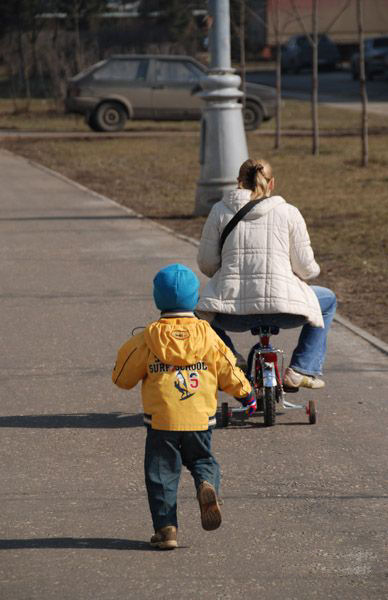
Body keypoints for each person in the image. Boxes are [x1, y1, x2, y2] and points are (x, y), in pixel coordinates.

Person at [112, 263, 255, 550]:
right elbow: (229, 368)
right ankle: (206, 484)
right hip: (199, 418)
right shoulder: (209, 337)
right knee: (203, 460)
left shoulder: (147, 338)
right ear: (194, 299)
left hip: (162, 420)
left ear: (157, 299)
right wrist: (247, 395)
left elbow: (122, 378)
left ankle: (166, 529)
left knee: (161, 473)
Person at [196, 158, 337, 390]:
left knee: (197, 312)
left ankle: (230, 360)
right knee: (328, 300)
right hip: (284, 311)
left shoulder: (219, 211)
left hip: (234, 314)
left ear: (238, 182)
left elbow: (207, 264)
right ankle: (302, 368)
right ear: (272, 183)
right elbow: (306, 269)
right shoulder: (289, 212)